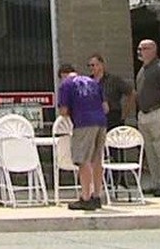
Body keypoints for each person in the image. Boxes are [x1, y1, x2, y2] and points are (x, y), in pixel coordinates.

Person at [57, 63, 108, 211]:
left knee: (83, 160)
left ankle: (85, 198)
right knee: (97, 159)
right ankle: (97, 196)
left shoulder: (66, 85)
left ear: (63, 76)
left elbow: (64, 111)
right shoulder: (93, 82)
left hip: (84, 123)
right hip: (101, 122)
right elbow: (105, 107)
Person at [136, 39, 160, 197]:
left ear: (153, 50)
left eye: (144, 48)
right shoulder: (143, 69)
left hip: (158, 112)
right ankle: (155, 182)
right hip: (144, 115)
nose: (140, 51)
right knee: (150, 152)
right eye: (139, 48)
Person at [89, 54, 133, 131]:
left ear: (101, 65)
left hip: (113, 117)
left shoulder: (113, 80)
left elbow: (131, 93)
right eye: (89, 65)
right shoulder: (88, 82)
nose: (91, 68)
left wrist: (125, 114)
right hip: (94, 118)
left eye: (93, 65)